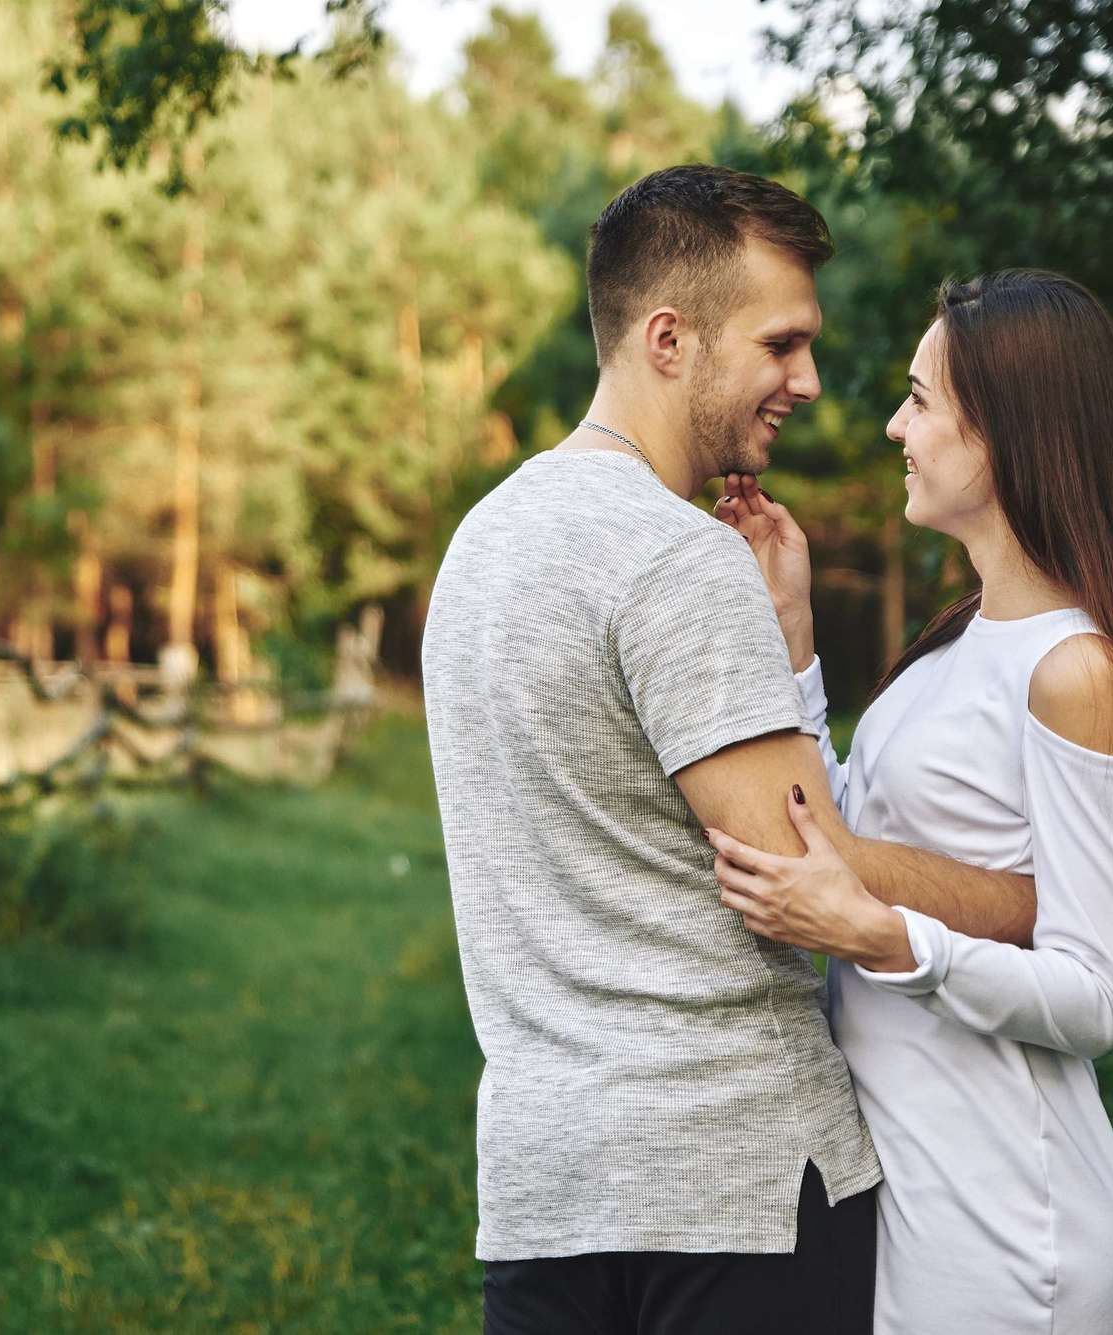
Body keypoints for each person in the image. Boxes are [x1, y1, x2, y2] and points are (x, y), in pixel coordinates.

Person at [422, 165, 1044, 1335]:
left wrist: (786, 643)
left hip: (546, 1192)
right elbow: (808, 876)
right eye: (779, 344)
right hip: (736, 1189)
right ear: (667, 339)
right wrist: (1032, 904)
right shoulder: (674, 555)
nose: (807, 381)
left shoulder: (483, 542)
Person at [706, 269, 1113, 1333]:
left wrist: (883, 938)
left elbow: (1097, 996)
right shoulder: (960, 637)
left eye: (919, 400)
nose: (895, 426)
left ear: (1005, 434)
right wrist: (793, 637)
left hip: (1006, 1214)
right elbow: (839, 830)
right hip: (916, 1179)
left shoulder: (1075, 669)